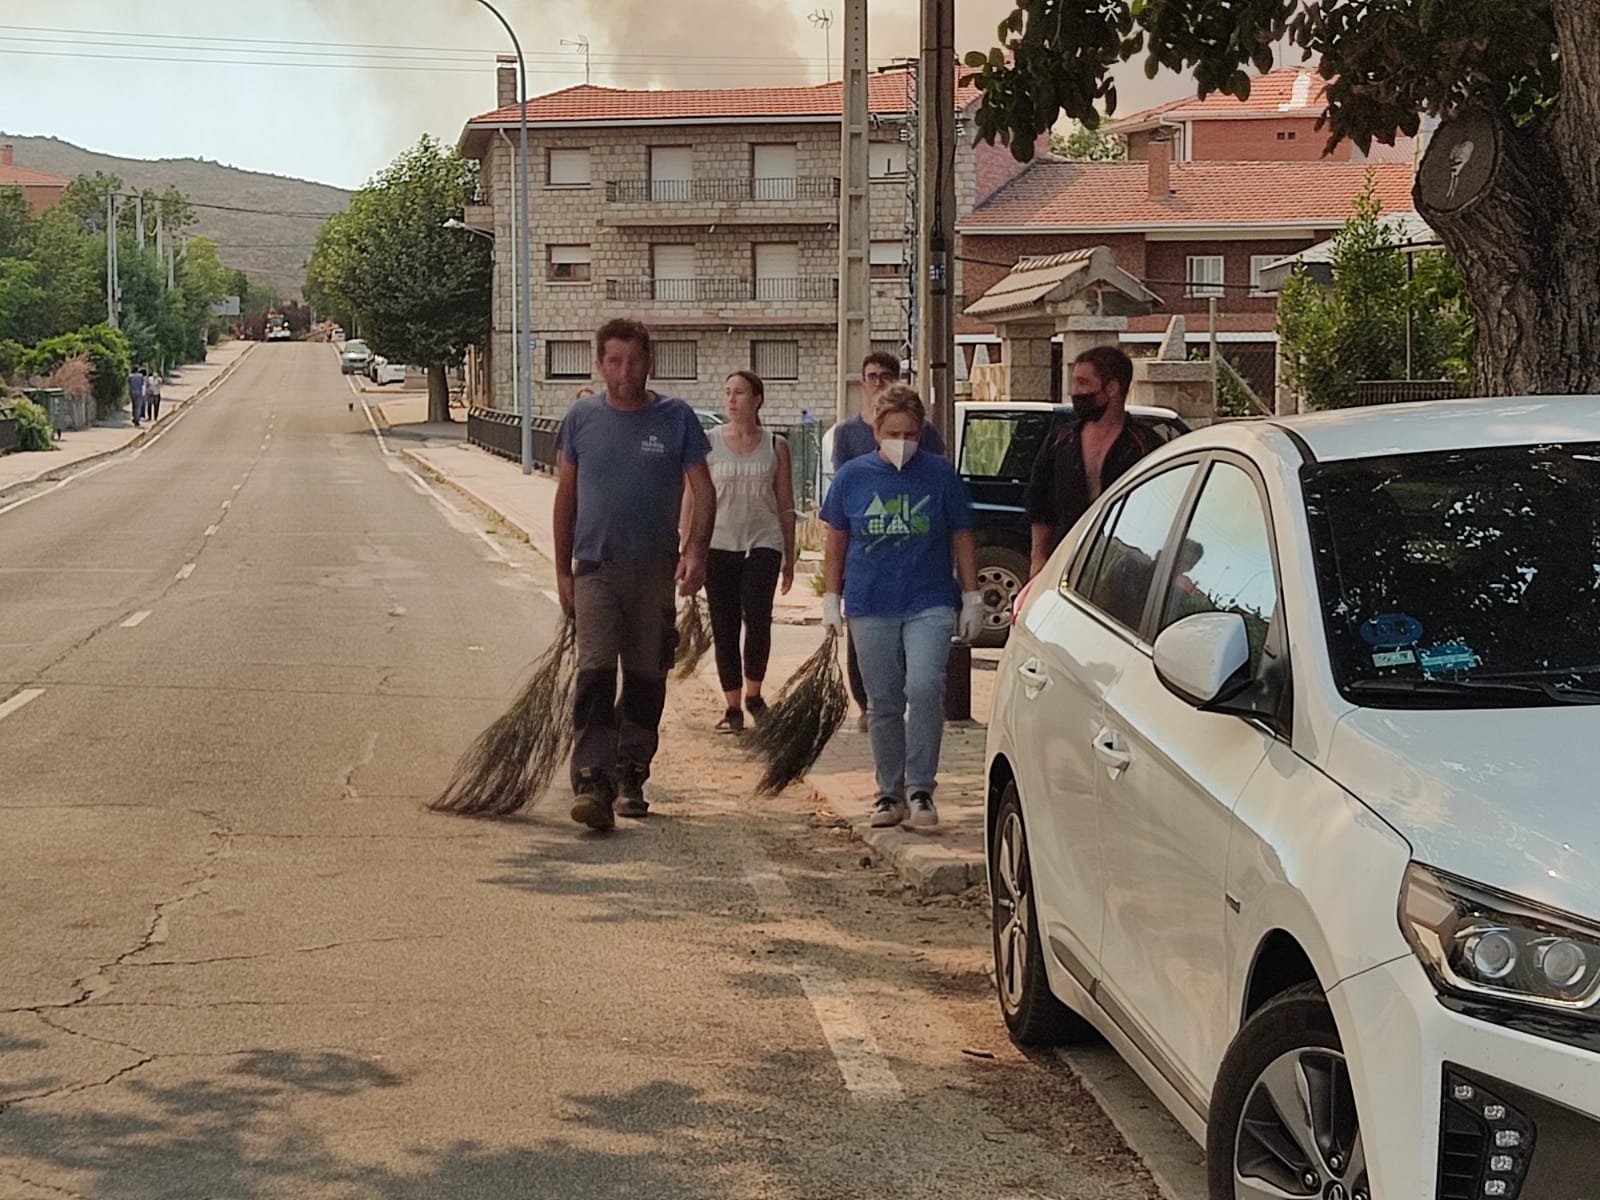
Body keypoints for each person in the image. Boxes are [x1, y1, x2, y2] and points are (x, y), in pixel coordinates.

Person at [553, 318, 715, 832]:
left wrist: (696, 550)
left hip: (654, 571)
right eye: (615, 361)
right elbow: (566, 498)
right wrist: (562, 571)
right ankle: (593, 779)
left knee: (647, 676)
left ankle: (631, 772)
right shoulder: (581, 419)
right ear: (599, 365)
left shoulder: (677, 418)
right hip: (595, 568)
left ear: (651, 362)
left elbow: (703, 491)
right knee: (596, 674)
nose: (626, 372)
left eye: (636, 361)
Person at [820, 384, 982, 830]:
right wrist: (831, 595)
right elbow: (836, 538)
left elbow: (962, 534)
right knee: (884, 701)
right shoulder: (854, 477)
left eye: (911, 433)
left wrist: (971, 596)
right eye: (893, 432)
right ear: (876, 430)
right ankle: (889, 793)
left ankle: (921, 788)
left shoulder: (940, 475)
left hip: (928, 598)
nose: (902, 442)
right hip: (871, 602)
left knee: (927, 686)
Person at [830, 351, 948, 730]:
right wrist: (832, 591)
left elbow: (941, 491)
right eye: (871, 375)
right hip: (866, 552)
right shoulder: (849, 434)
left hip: (917, 555)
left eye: (885, 375)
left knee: (920, 670)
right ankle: (868, 704)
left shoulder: (925, 435)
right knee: (864, 642)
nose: (877, 381)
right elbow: (841, 511)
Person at [689, 370, 796, 733]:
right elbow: (693, 497)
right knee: (725, 623)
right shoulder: (708, 442)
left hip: (763, 542)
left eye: (740, 393)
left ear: (757, 399)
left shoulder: (775, 445)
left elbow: (785, 502)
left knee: (758, 618)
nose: (732, 400)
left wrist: (790, 555)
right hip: (719, 543)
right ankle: (732, 705)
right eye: (728, 393)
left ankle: (755, 694)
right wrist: (688, 547)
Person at [1023, 345, 1162, 579]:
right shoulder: (1060, 441)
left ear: (1111, 388)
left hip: (1127, 570)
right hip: (1067, 564)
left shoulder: (1145, 446)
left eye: (1083, 383)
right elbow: (1039, 504)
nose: (1075, 392)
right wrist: (1039, 558)